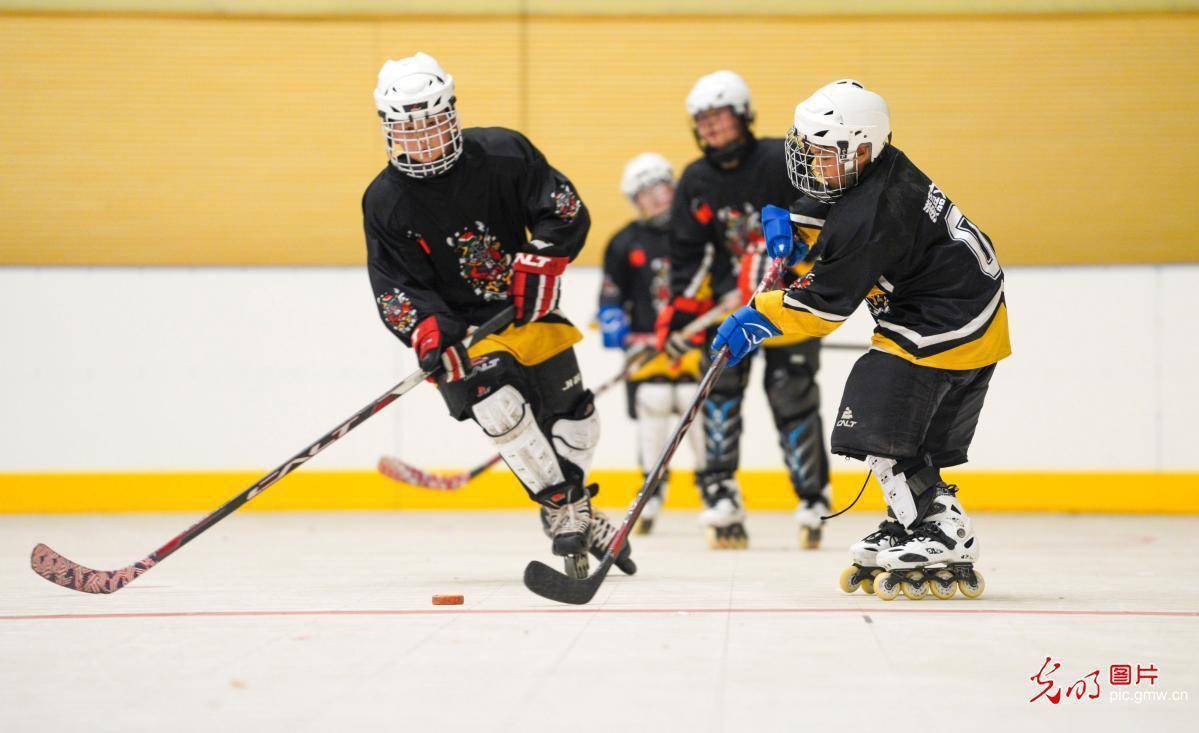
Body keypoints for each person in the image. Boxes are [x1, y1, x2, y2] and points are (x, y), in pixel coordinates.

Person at [712, 80, 1010, 600]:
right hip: (958, 312)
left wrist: (758, 317)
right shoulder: (878, 168)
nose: (809, 162)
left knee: (878, 417)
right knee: (900, 431)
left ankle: (944, 529)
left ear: (862, 148)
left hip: (946, 320)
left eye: (822, 153)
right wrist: (793, 221)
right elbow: (837, 202)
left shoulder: (875, 211)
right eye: (805, 149)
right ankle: (911, 519)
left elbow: (823, 307)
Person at [362, 52, 633, 578]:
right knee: (500, 407)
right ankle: (566, 510)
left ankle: (573, 506)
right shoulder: (385, 201)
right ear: (389, 132)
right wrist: (429, 331)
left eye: (432, 126)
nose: (422, 142)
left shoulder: (504, 153)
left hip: (526, 311)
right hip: (463, 334)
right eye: (407, 131)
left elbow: (564, 207)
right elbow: (395, 286)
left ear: (452, 116)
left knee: (579, 422)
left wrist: (543, 255)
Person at [656, 70, 831, 550]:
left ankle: (813, 497)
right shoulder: (695, 179)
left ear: (743, 115)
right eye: (702, 120)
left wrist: (801, 260)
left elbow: (823, 212)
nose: (710, 128)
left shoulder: (781, 159)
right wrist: (682, 312)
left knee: (792, 396)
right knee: (720, 396)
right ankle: (720, 494)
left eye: (718, 116)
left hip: (790, 303)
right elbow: (689, 255)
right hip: (731, 312)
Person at [598, 153, 706, 535]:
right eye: (645, 193)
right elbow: (611, 292)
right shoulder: (625, 241)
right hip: (649, 347)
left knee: (698, 408)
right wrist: (611, 316)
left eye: (660, 188)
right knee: (654, 404)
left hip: (694, 342)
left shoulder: (696, 233)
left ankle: (713, 488)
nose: (656, 198)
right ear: (635, 200)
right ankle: (651, 488)